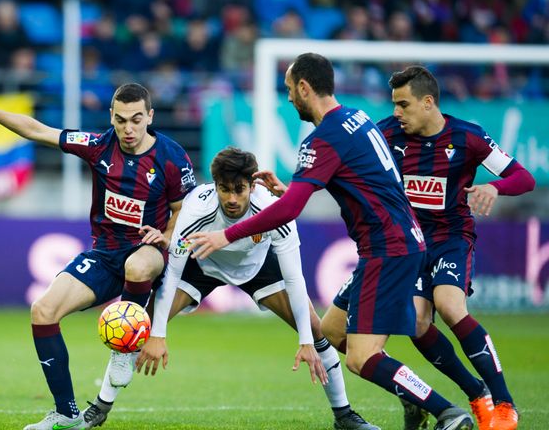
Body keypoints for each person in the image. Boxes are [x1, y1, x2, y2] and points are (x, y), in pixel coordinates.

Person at [187, 53, 474, 430]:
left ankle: (447, 412)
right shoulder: (356, 118)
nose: (289, 98)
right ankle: (417, 400)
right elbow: (358, 182)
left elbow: (289, 210)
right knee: (333, 331)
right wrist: (290, 190)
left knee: (362, 358)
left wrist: (226, 233)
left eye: (290, 90)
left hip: (389, 249)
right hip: (393, 244)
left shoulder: (324, 138)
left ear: (305, 88)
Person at [0, 83, 196, 430]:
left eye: (136, 120)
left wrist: (166, 236)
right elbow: (38, 130)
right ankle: (66, 413)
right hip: (104, 253)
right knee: (43, 310)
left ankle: (123, 350)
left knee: (137, 264)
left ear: (150, 117)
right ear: (111, 116)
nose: (128, 129)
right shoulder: (98, 146)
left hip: (149, 251)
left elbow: (184, 209)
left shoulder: (171, 157)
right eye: (121, 120)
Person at [96, 146, 377, 430]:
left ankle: (344, 416)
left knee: (316, 330)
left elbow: (294, 279)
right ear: (215, 185)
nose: (232, 199)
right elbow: (173, 272)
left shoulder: (274, 210)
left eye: (239, 190)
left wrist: (305, 341)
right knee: (140, 326)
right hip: (203, 262)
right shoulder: (196, 208)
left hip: (257, 267)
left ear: (252, 186)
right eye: (224, 189)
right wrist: (157, 334)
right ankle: (99, 408)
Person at [378, 65, 534, 430]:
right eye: (394, 105)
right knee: (416, 323)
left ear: (428, 102)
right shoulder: (386, 133)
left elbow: (522, 177)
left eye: (403, 105)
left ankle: (506, 405)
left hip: (451, 238)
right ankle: (476, 393)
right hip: (410, 243)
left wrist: (495, 188)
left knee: (449, 306)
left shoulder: (467, 137)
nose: (396, 113)